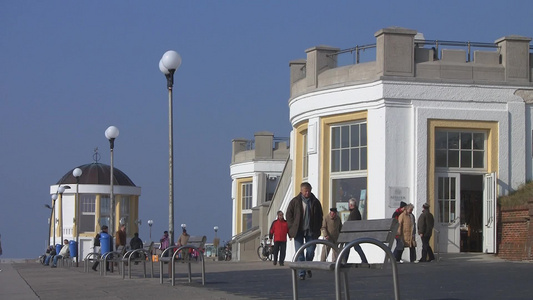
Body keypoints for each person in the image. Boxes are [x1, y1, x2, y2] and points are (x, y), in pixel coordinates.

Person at [286, 182, 323, 280]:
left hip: (311, 231)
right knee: (299, 252)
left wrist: (318, 227)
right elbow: (289, 216)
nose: (307, 193)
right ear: (301, 191)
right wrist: (291, 227)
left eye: (309, 191)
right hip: (298, 231)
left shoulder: (315, 202)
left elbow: (320, 216)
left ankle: (307, 266)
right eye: (305, 191)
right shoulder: (295, 202)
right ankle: (301, 273)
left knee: (310, 251)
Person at [347, 198, 368, 263]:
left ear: (351, 205)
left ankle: (343, 260)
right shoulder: (356, 212)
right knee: (354, 247)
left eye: (349, 204)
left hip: (352, 234)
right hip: (354, 233)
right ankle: (364, 260)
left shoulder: (354, 213)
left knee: (347, 247)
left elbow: (352, 224)